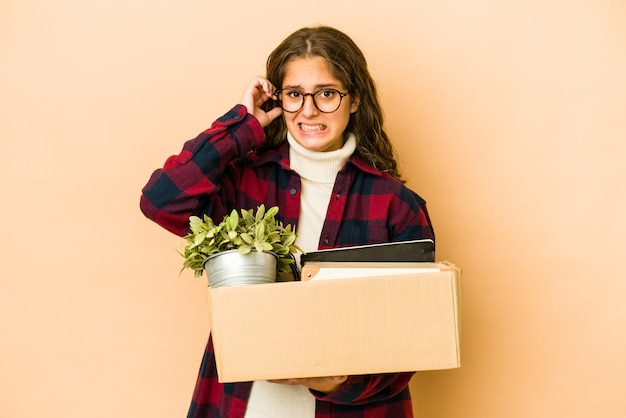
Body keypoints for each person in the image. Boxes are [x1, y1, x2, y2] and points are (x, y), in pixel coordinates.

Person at [140, 25, 435, 418]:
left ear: (356, 99)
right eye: (295, 95)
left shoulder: (395, 205)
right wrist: (242, 124)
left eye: (327, 94)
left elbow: (414, 335)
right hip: (246, 406)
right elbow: (161, 200)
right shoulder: (244, 181)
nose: (309, 110)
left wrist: (341, 380)